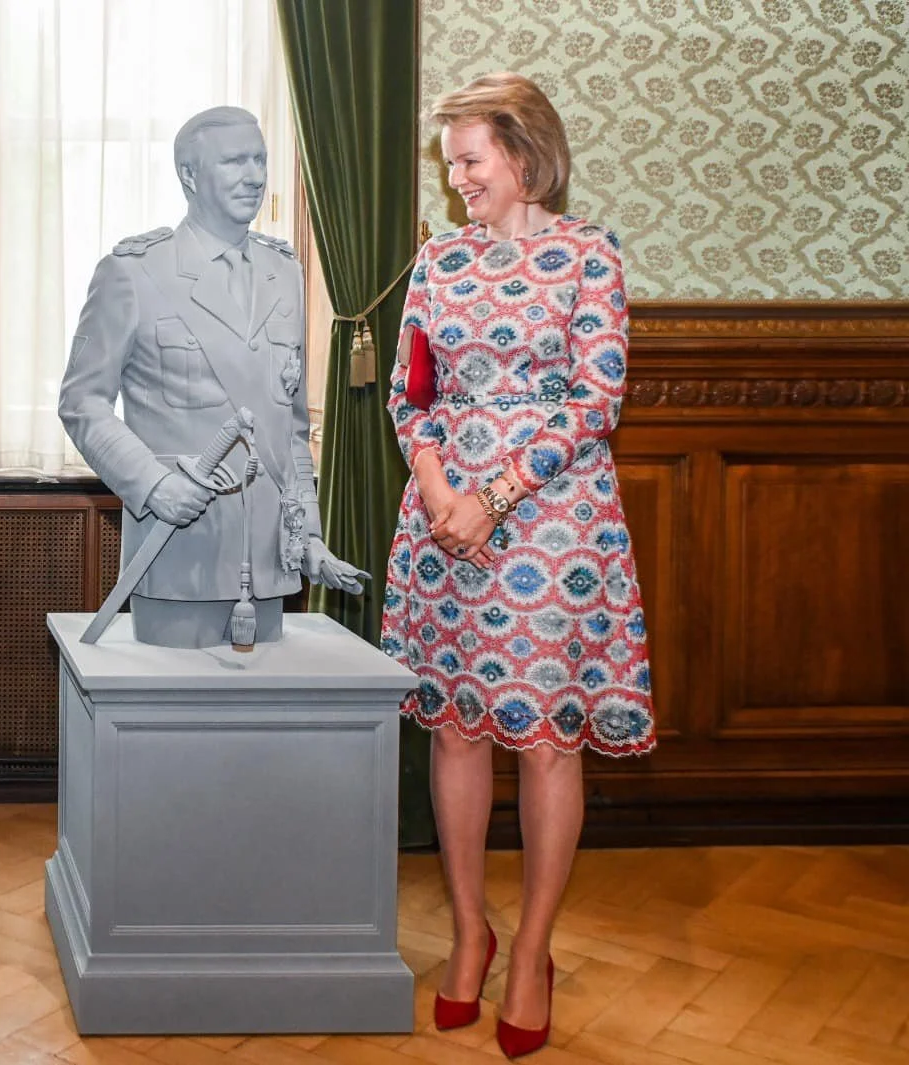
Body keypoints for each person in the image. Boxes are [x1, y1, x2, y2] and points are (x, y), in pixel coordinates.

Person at [380, 72, 656, 1058]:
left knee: (544, 741)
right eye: (449, 163)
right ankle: (468, 932)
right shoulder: (438, 261)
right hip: (441, 517)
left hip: (551, 528)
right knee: (455, 733)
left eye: (470, 160)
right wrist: (438, 482)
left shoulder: (590, 255)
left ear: (526, 157)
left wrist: (493, 498)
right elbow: (409, 393)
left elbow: (594, 401)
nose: (456, 179)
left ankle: (531, 951)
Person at [59, 106, 365, 649]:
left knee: (258, 728)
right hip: (181, 545)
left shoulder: (283, 272)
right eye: (233, 161)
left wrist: (308, 538)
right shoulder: (134, 271)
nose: (254, 175)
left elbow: (287, 427)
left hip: (270, 556)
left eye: (260, 159)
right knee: (171, 722)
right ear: (190, 176)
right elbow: (83, 402)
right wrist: (151, 486)